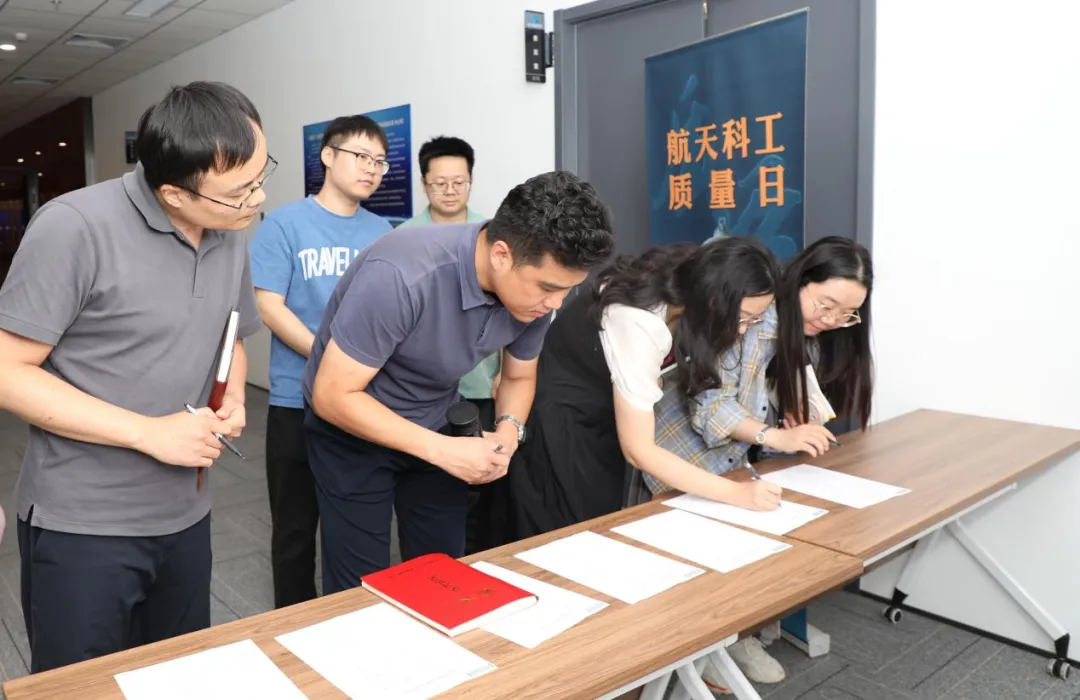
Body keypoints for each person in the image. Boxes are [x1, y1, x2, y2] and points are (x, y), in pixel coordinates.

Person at [0, 81, 267, 672]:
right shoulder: (73, 227)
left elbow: (231, 334)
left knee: (176, 672)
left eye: (259, 176)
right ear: (173, 193)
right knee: (81, 684)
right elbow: (7, 372)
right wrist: (147, 433)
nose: (257, 197)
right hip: (85, 522)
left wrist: (233, 399)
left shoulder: (230, 230)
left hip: (186, 511)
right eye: (239, 191)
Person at [302, 171, 615, 593]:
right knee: (359, 584)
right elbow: (333, 395)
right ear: (501, 255)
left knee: (442, 570)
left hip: (434, 417)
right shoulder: (402, 274)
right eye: (548, 287)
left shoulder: (535, 302)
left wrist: (507, 435)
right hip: (353, 424)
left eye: (567, 290)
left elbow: (518, 375)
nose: (556, 303)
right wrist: (441, 450)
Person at [654, 235, 873, 695]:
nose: (831, 320)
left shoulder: (809, 337)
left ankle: (735, 637)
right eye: (826, 304)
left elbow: (764, 407)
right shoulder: (756, 321)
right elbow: (710, 405)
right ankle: (707, 652)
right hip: (681, 455)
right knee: (702, 565)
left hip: (733, 459)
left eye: (847, 314)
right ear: (800, 282)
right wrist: (775, 435)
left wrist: (790, 423)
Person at [482, 236, 786, 549]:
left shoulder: (691, 275)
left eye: (755, 319)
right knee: (570, 535)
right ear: (712, 298)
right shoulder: (638, 321)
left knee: (605, 520)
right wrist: (735, 492)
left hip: (604, 412)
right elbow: (639, 451)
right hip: (561, 419)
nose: (743, 329)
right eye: (742, 317)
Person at [249, 115, 392, 609]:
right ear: (328, 156)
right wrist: (332, 357)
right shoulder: (285, 223)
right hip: (296, 400)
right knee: (294, 526)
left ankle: (345, 615)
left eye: (380, 161)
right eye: (361, 156)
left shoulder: (382, 232)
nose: (371, 169)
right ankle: (291, 619)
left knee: (353, 522)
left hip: (360, 403)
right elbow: (270, 306)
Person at [399, 136, 499, 554]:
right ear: (425, 184)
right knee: (432, 484)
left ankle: (476, 562)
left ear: (471, 181)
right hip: (424, 390)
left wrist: (505, 373)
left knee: (484, 484)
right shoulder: (405, 238)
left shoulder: (494, 235)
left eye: (459, 182)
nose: (450, 191)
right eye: (440, 183)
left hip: (481, 384)